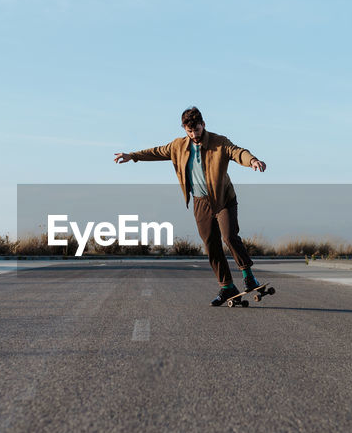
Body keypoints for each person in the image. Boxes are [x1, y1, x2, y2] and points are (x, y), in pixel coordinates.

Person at [114, 106, 267, 306]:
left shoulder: (219, 142)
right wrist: (132, 155)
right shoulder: (178, 146)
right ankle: (227, 287)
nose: (194, 134)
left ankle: (248, 276)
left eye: (197, 129)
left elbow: (238, 152)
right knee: (211, 245)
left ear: (203, 125)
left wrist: (252, 160)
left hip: (223, 199)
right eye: (190, 131)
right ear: (184, 129)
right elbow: (156, 152)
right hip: (200, 202)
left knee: (229, 236)